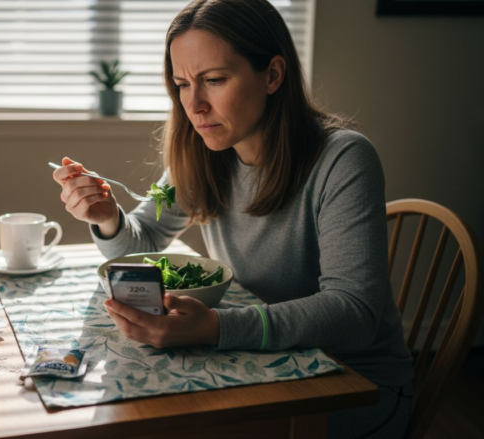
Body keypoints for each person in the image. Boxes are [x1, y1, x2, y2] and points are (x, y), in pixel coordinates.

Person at [52, 0, 413, 437]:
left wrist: (217, 327)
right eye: (182, 84)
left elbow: (354, 312)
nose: (195, 105)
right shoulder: (203, 151)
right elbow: (140, 243)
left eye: (214, 80)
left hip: (349, 384)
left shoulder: (344, 159)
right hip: (256, 361)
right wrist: (108, 217)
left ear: (273, 75)